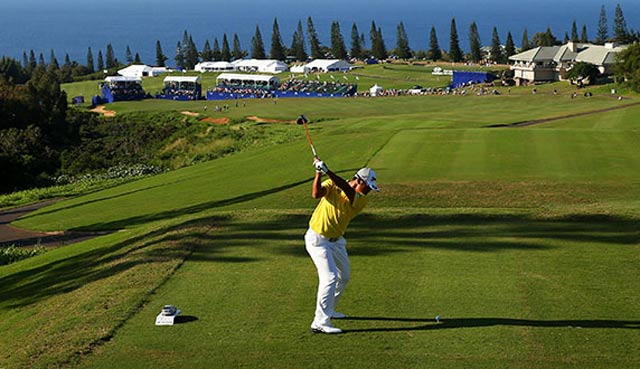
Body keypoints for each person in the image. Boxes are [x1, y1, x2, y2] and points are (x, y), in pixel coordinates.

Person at [305, 157, 379, 334]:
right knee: (329, 277)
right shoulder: (332, 184)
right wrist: (318, 172)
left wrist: (327, 170)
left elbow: (347, 189)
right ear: (359, 180)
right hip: (318, 241)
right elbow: (316, 194)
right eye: (367, 186)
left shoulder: (360, 199)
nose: (368, 191)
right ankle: (320, 322)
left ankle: (329, 310)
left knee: (344, 276)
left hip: (337, 241)